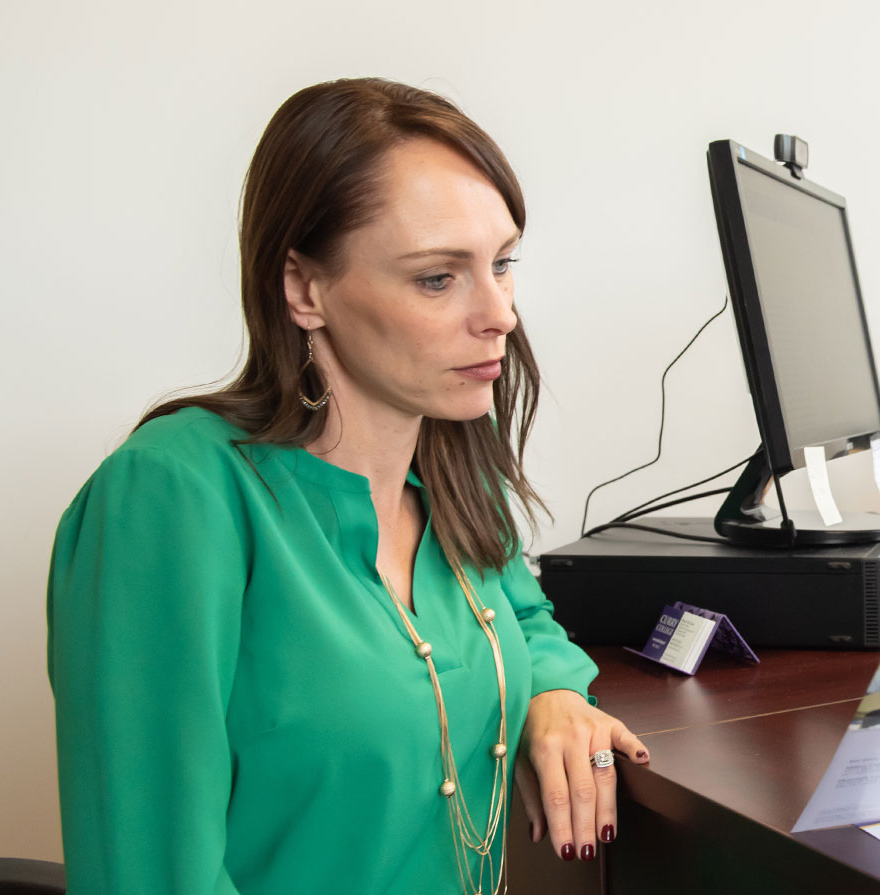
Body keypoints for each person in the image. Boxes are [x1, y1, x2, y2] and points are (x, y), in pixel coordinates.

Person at [46, 79, 647, 895]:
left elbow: (527, 618)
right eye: (438, 278)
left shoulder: (449, 469)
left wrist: (552, 693)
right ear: (303, 289)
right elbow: (150, 872)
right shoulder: (173, 493)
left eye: (502, 264)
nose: (500, 312)